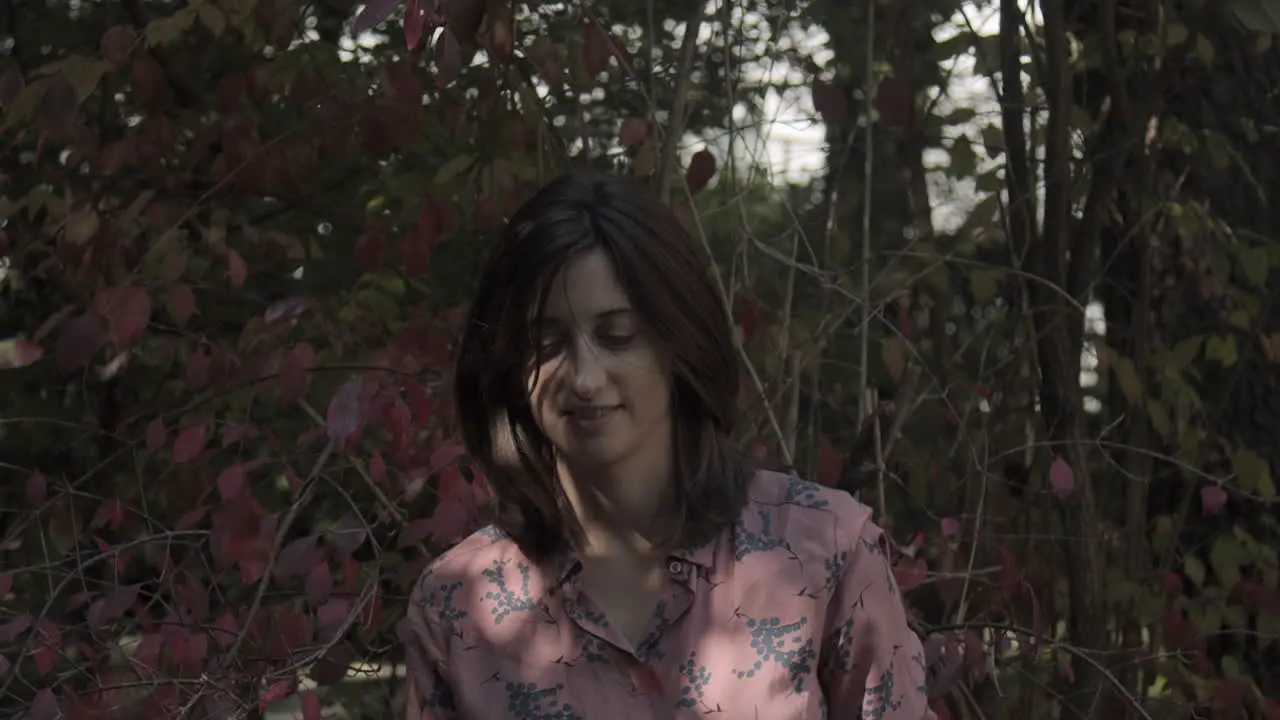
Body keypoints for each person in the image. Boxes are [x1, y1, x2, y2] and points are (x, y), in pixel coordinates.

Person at [401, 171, 935, 719]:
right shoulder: (456, 606)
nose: (584, 378)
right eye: (546, 343)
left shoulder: (826, 551)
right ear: (510, 366)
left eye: (618, 335)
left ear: (677, 342)